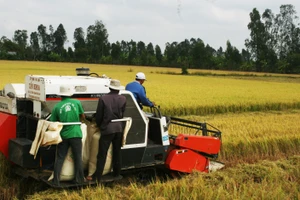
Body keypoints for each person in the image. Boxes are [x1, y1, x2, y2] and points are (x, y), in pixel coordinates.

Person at [90, 79, 127, 182]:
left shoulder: (103, 99)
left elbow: (99, 115)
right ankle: (116, 174)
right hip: (119, 128)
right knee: (117, 151)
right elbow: (122, 113)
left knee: (102, 153)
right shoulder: (123, 99)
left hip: (107, 129)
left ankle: (98, 176)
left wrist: (100, 125)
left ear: (110, 87)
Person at [50, 85, 86, 186]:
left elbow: (53, 122)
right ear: (70, 94)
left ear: (61, 95)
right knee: (78, 157)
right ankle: (79, 180)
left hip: (64, 135)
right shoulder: (77, 102)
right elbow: (82, 116)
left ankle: (56, 181)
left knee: (60, 157)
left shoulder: (57, 106)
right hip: (76, 134)